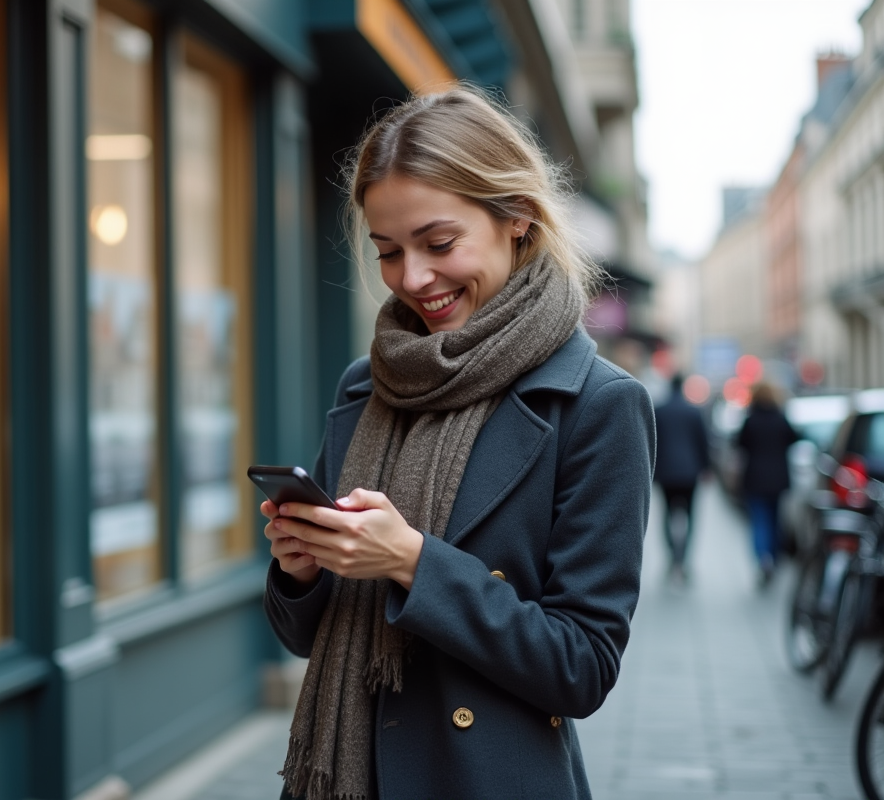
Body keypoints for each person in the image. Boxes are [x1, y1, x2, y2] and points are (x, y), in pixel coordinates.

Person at [260, 85, 655, 800]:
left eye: (439, 244)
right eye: (387, 251)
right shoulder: (367, 386)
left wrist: (413, 562)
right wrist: (303, 570)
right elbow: (306, 638)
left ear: (518, 221)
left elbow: (584, 665)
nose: (412, 279)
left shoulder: (598, 405)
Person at [737, 381, 798, 585]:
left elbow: (740, 444)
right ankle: (774, 556)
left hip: (755, 478)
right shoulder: (780, 418)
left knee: (759, 521)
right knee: (775, 520)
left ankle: (763, 559)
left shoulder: (751, 420)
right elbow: (794, 438)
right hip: (778, 478)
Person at [653, 374, 710, 581]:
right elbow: (703, 442)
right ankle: (683, 558)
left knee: (667, 515)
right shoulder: (693, 411)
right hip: (690, 472)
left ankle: (672, 557)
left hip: (666, 472)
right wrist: (707, 468)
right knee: (690, 517)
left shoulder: (659, 410)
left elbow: (652, 442)